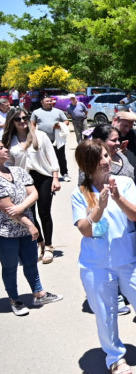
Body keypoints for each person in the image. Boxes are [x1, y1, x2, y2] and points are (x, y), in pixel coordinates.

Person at [72, 140, 136, 374]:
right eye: (101, 158)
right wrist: (99, 206)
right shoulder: (80, 193)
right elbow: (85, 229)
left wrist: (117, 197)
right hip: (96, 265)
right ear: (88, 164)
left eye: (106, 155)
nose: (106, 160)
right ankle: (115, 358)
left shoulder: (124, 183)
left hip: (129, 260)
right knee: (105, 312)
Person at [0, 139, 62, 316]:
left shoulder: (18, 171)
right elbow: (6, 208)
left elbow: (34, 193)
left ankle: (39, 293)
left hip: (26, 229)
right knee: (10, 267)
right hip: (6, 233)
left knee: (30, 263)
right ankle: (14, 300)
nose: (5, 149)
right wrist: (30, 224)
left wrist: (20, 207)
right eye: (1, 148)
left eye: (4, 146)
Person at [3, 107, 60, 264]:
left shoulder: (40, 136)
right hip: (22, 180)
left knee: (44, 211)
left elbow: (52, 158)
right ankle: (39, 242)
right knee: (30, 214)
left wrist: (55, 178)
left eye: (25, 117)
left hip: (43, 177)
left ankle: (48, 246)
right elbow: (8, 163)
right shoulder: (9, 140)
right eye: (18, 119)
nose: (22, 121)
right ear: (11, 122)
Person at [31, 95, 70, 182]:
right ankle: (48, 174)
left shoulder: (58, 111)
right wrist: (33, 135)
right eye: (47, 101)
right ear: (42, 102)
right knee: (45, 157)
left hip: (57, 139)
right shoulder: (36, 112)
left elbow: (66, 121)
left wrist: (60, 125)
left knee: (61, 157)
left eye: (50, 101)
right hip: (43, 140)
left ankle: (65, 173)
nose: (49, 103)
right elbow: (32, 123)